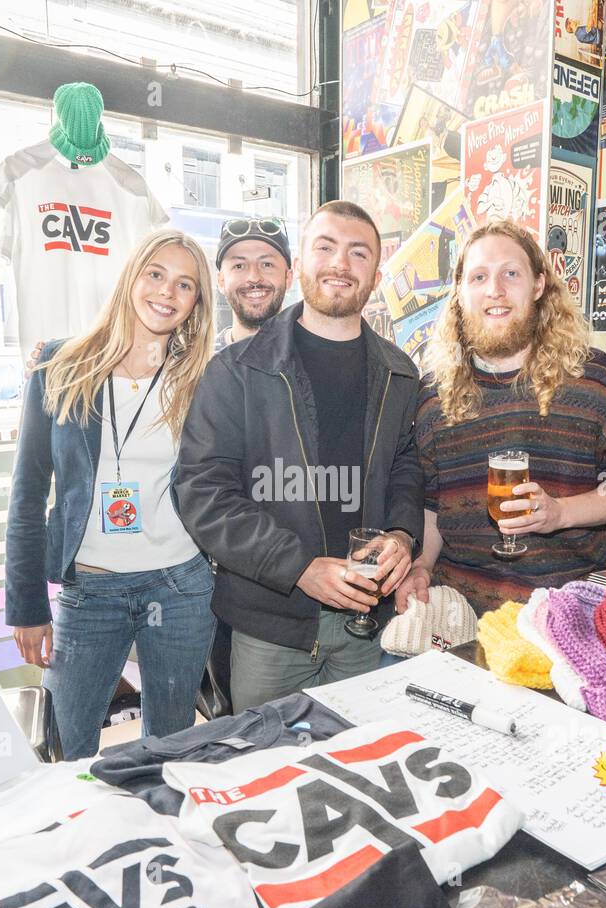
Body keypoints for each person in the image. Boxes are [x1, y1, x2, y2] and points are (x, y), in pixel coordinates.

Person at [176, 200, 423, 711]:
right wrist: (300, 566)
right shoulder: (237, 371)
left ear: (375, 275)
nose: (340, 263)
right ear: (301, 266)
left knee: (361, 764)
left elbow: (406, 466)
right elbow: (202, 493)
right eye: (325, 247)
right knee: (263, 767)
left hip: (366, 622)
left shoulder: (400, 373)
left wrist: (402, 534)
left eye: (358, 253)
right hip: (272, 624)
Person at [5, 229, 218, 759]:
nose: (166, 292)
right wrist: (26, 605)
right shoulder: (59, 365)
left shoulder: (201, 379)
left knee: (170, 752)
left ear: (195, 303)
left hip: (180, 586)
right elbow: (29, 492)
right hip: (90, 591)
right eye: (156, 274)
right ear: (131, 276)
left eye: (185, 284)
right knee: (64, 749)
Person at [395, 219, 606, 616]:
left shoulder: (592, 378)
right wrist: (421, 566)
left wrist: (561, 513)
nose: (494, 290)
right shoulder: (434, 393)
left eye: (511, 273)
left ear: (538, 285)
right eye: (479, 276)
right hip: (461, 619)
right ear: (460, 293)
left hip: (570, 612)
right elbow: (434, 505)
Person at [214, 217, 293, 351]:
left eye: (267, 264)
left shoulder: (314, 358)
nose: (254, 277)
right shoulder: (198, 364)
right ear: (221, 281)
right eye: (239, 266)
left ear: (288, 278)